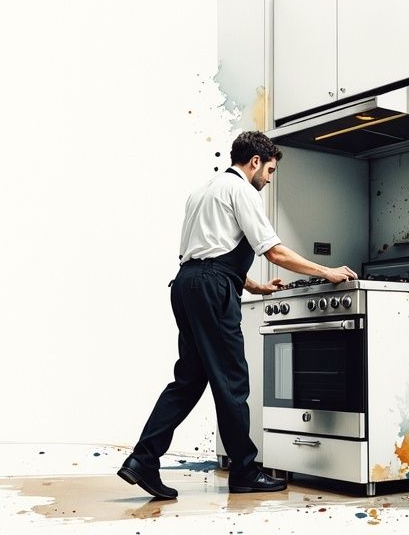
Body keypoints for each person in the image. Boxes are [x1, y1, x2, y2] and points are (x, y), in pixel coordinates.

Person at [117, 131, 358, 499]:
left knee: (188, 381)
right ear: (255, 161)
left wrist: (253, 287)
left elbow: (208, 251)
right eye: (270, 170)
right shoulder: (241, 190)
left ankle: (142, 459)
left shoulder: (202, 192)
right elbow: (273, 251)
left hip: (186, 285)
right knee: (232, 380)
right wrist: (326, 272)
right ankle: (244, 470)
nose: (269, 178)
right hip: (212, 289)